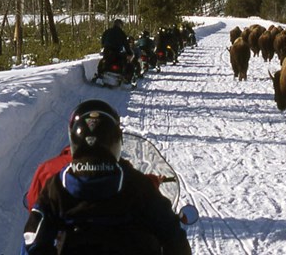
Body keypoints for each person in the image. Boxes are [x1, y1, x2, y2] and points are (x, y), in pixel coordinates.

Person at [22, 101, 191, 255]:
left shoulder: (57, 185)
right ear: (115, 140)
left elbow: (32, 238)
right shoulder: (136, 183)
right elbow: (172, 234)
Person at [25, 99, 163, 211]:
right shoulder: (120, 168)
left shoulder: (48, 169)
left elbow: (33, 204)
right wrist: (154, 181)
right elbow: (137, 187)